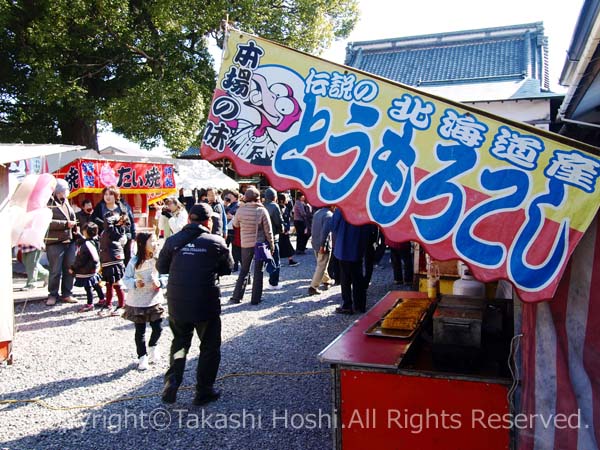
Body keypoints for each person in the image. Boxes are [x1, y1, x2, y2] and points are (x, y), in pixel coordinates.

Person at [157, 203, 233, 405]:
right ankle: (204, 391)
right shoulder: (216, 241)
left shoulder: (172, 241)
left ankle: (173, 379)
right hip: (204, 302)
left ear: (189, 219)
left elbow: (161, 267)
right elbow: (228, 268)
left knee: (180, 343)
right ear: (208, 221)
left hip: (177, 301)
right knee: (209, 346)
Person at [123, 232, 165, 371]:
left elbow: (166, 275)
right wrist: (135, 283)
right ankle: (142, 357)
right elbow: (126, 279)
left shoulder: (158, 259)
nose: (155, 243)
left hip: (154, 299)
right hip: (137, 301)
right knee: (140, 332)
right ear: (142, 244)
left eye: (155, 240)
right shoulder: (134, 262)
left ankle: (153, 346)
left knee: (158, 328)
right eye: (151, 241)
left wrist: (159, 282)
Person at [229, 187, 274, 305]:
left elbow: (235, 224)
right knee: (258, 271)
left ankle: (236, 297)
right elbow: (268, 231)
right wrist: (272, 245)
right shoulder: (262, 210)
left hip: (245, 244)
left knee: (244, 270)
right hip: (259, 244)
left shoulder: (240, 210)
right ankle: (255, 299)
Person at [331, 208, 370, 314]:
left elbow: (334, 226)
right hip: (358, 246)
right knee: (358, 277)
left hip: (343, 247)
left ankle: (347, 305)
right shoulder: (363, 208)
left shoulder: (341, 207)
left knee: (345, 278)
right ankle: (360, 305)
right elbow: (368, 228)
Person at [45, 179, 77, 306]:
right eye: (65, 190)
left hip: (69, 240)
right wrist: (65, 224)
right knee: (55, 270)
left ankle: (67, 293)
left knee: (70, 268)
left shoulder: (66, 202)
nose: (67, 192)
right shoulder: (48, 203)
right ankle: (52, 294)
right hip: (54, 242)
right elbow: (46, 221)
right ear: (59, 191)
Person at [92, 186, 136, 267]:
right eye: (106, 194)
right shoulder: (100, 207)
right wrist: (106, 226)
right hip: (104, 241)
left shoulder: (122, 207)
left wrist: (131, 236)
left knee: (123, 263)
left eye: (111, 194)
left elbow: (128, 223)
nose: (107, 197)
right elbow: (94, 220)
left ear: (116, 196)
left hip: (121, 239)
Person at [98, 210, 128, 316]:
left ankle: (121, 305)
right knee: (108, 283)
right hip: (107, 259)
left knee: (116, 284)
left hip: (114, 259)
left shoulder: (116, 230)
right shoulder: (108, 230)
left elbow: (109, 226)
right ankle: (108, 304)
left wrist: (114, 218)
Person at [71, 223, 105, 312]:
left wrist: (74, 268)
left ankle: (90, 304)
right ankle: (102, 299)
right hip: (94, 268)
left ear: (86, 232)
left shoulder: (87, 244)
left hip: (86, 269)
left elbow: (81, 259)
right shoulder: (95, 240)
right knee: (95, 284)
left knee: (88, 286)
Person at [308, 205, 336, 296]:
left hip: (315, 242)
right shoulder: (329, 215)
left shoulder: (317, 213)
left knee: (321, 264)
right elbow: (325, 233)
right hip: (322, 244)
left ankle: (326, 280)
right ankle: (313, 287)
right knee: (322, 265)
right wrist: (323, 245)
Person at [263, 187, 284, 289]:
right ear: (274, 197)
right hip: (273, 236)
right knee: (276, 260)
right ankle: (273, 283)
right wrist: (282, 229)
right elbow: (278, 221)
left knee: (263, 261)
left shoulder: (262, 206)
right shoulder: (274, 206)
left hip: (262, 237)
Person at [277, 193, 299, 267]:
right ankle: (289, 260)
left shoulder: (285, 207)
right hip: (281, 231)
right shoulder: (279, 208)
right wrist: (284, 229)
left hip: (285, 229)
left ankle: (289, 260)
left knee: (285, 245)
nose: (288, 199)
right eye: (286, 198)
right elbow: (280, 220)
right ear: (282, 200)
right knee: (284, 245)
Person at [224, 190, 241, 271]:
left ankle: (236, 265)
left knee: (235, 249)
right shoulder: (230, 205)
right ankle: (228, 264)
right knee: (226, 247)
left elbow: (236, 217)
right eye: (229, 196)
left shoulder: (238, 205)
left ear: (235, 197)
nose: (229, 198)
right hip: (228, 228)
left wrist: (231, 217)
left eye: (231, 196)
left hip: (234, 229)